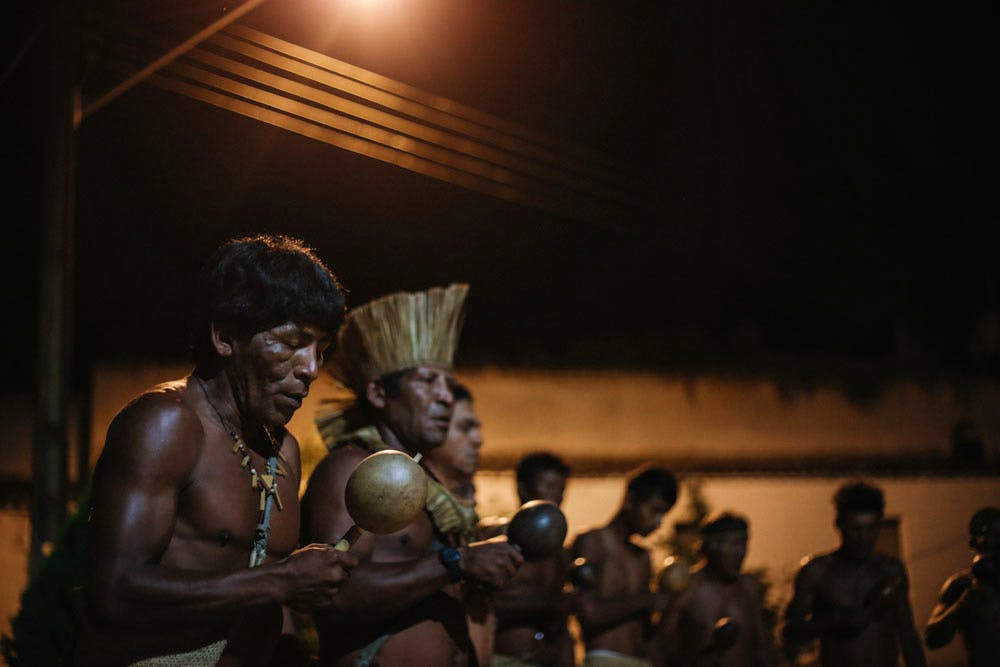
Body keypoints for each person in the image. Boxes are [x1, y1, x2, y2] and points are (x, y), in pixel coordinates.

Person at [70, 234, 358, 666]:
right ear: (225, 337)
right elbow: (112, 592)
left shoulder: (283, 452)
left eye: (321, 348)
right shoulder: (167, 424)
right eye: (293, 342)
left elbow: (275, 609)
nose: (312, 369)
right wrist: (278, 580)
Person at [301, 283, 523, 666]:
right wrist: (455, 562)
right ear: (379, 394)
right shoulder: (352, 469)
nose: (445, 397)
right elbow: (333, 593)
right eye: (426, 381)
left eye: (448, 385)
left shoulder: (430, 485)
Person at [780, 481, 926, 667]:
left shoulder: (891, 571)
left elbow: (908, 635)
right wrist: (832, 622)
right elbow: (788, 631)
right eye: (855, 529)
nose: (862, 539)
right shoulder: (816, 572)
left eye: (870, 529)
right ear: (839, 525)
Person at [570, 466, 679, 667]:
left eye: (664, 514)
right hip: (605, 659)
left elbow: (648, 632)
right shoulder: (593, 542)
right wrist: (647, 601)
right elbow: (589, 614)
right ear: (630, 500)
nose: (658, 522)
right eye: (654, 510)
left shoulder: (643, 557)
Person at [652, 512, 777, 667]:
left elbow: (762, 645)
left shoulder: (749, 588)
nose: (740, 553)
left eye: (743, 544)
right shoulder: (688, 588)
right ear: (711, 546)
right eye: (733, 545)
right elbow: (659, 644)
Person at [491, 452, 576, 667]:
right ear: (523, 488)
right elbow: (484, 607)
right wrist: (545, 604)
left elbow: (560, 620)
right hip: (505, 659)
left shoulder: (561, 553)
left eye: (561, 489)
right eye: (548, 486)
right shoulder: (494, 541)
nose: (556, 496)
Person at [924, 506, 1000, 666]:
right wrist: (961, 606)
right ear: (974, 541)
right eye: (990, 533)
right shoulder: (961, 584)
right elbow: (932, 639)